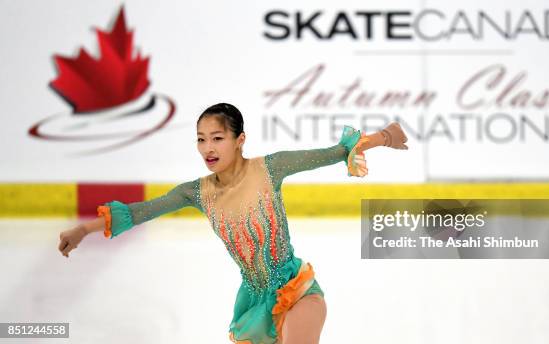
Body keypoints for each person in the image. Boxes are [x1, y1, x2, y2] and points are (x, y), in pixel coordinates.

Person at [58, 103, 408, 344]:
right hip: (254, 307)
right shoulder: (196, 193)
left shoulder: (271, 167)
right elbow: (137, 213)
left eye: (217, 138)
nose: (207, 148)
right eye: (200, 139)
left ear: (240, 140)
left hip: (297, 291)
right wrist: (83, 229)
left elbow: (335, 152)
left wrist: (386, 136)